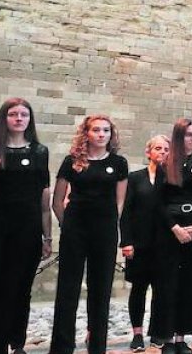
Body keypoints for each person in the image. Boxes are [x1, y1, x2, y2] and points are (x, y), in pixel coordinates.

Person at [50, 114, 129, 354]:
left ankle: (97, 346)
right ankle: (62, 346)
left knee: (101, 288)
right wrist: (68, 225)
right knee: (68, 287)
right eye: (96, 130)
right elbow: (57, 201)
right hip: (75, 227)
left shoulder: (118, 163)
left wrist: (108, 225)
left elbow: (119, 203)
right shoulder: (72, 161)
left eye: (106, 130)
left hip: (103, 229)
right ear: (87, 133)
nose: (101, 134)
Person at [0, 99, 52, 354]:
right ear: (4, 118)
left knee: (18, 287)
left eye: (24, 114)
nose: (19, 118)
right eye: (13, 114)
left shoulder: (39, 151)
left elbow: (43, 197)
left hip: (26, 229)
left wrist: (47, 236)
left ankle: (16, 342)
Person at [154, 118, 192, 354]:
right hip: (171, 231)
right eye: (188, 135)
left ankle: (181, 337)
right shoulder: (165, 164)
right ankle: (166, 337)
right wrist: (174, 227)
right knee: (169, 285)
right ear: (179, 136)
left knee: (191, 284)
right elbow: (157, 201)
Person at [121, 135, 171, 352]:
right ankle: (137, 333)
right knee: (139, 289)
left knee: (161, 290)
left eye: (166, 149)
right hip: (140, 242)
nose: (162, 152)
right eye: (158, 148)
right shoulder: (135, 178)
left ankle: (157, 331)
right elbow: (126, 211)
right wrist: (126, 241)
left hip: (164, 243)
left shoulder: (171, 179)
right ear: (148, 152)